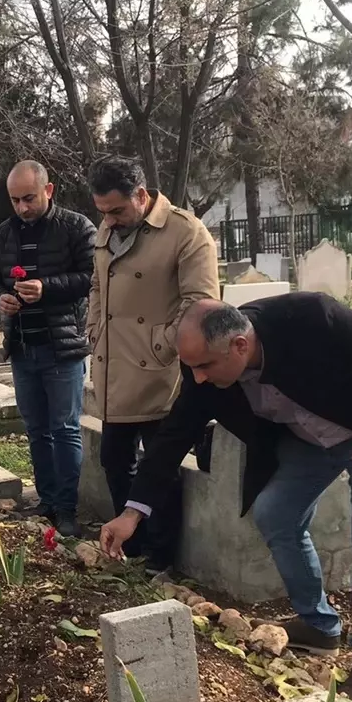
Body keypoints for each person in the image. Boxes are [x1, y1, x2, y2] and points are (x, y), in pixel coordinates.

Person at [99, 295, 352, 702]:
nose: (198, 378)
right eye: (192, 367)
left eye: (204, 366)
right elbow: (175, 434)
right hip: (310, 443)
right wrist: (132, 514)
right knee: (276, 512)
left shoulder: (310, 318)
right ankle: (318, 625)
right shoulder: (205, 368)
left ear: (240, 346)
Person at [85, 156, 219, 570]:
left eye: (117, 210)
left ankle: (162, 555)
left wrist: (162, 345)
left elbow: (200, 301)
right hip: (114, 368)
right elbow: (96, 284)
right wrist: (93, 329)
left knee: (160, 465)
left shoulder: (186, 232)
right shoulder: (107, 229)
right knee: (113, 459)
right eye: (102, 211)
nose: (109, 219)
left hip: (160, 373)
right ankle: (134, 543)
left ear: (141, 196)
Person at [0, 160, 95, 537]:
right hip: (23, 345)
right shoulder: (4, 233)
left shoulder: (76, 227)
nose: (22, 207)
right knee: (37, 430)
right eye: (15, 200)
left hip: (62, 346)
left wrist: (48, 287)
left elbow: (93, 277)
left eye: (29, 198)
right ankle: (46, 501)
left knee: (64, 429)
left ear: (49, 190)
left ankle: (67, 508)